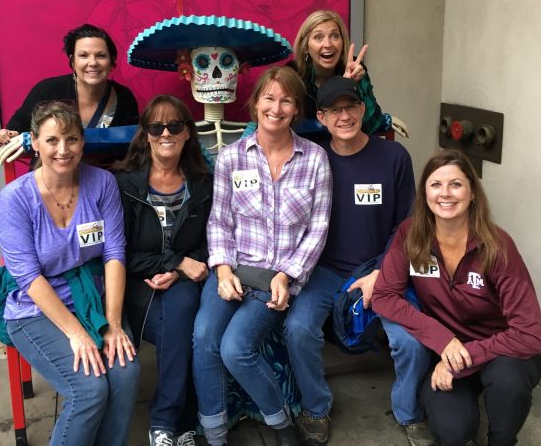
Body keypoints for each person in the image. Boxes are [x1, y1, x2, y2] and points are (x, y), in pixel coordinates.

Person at [283, 76, 428, 446]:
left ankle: (409, 411)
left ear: (363, 109)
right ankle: (316, 407)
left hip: (382, 268)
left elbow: (407, 225)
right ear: (321, 117)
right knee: (298, 329)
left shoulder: (393, 156)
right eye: (334, 110)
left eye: (351, 107)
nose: (344, 116)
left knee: (410, 341)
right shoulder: (312, 158)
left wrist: (382, 271)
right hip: (326, 270)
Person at [192, 66, 332, 446]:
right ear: (255, 104)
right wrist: (222, 270)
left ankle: (281, 423)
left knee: (236, 348)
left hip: (277, 278)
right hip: (233, 268)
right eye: (269, 98)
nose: (276, 107)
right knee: (204, 338)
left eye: (286, 100)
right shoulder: (231, 158)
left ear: (297, 109)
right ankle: (214, 434)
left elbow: (317, 229)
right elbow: (220, 221)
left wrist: (286, 275)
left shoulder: (315, 159)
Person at [372, 149, 541, 446]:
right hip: (446, 352)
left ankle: (502, 441)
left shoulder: (497, 246)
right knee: (452, 432)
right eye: (435, 185)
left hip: (501, 353)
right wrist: (442, 339)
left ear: (472, 193)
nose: (445, 193)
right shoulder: (411, 234)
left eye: (456, 184)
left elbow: (529, 334)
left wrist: (462, 358)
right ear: (424, 193)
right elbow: (384, 296)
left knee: (509, 381)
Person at [0, 101, 139, 446]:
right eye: (52, 140)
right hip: (36, 309)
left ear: (82, 142)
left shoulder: (102, 183)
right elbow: (29, 278)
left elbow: (114, 255)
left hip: (94, 297)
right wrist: (76, 334)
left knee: (126, 374)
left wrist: (113, 324)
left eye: (72, 139)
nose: (63, 150)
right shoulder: (15, 199)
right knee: (89, 389)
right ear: (35, 143)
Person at [113, 95, 212, 446]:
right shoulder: (124, 183)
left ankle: (164, 426)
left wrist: (183, 269)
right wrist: (174, 262)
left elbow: (212, 240)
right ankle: (180, 423)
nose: (166, 133)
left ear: (187, 132)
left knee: (182, 310)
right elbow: (119, 253)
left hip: (184, 281)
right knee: (181, 327)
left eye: (175, 125)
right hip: (139, 283)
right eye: (156, 127)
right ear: (145, 134)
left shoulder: (203, 182)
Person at [0, 23, 139, 163]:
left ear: (112, 61)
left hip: (105, 180)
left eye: (101, 55)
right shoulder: (47, 91)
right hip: (51, 179)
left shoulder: (125, 98)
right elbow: (16, 130)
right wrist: (6, 136)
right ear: (73, 61)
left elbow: (134, 148)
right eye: (83, 55)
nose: (93, 63)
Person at [289, 9, 406, 137]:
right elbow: (288, 125)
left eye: (335, 36)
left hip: (345, 146)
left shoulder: (355, 68)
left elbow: (371, 126)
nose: (328, 44)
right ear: (305, 46)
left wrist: (350, 85)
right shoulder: (293, 74)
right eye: (318, 37)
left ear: (342, 42)